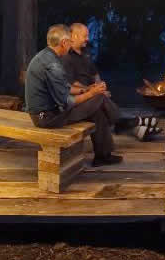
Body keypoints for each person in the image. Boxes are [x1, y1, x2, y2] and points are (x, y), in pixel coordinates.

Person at [25, 24, 127, 166]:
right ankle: (121, 122)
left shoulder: (46, 56)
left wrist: (85, 90)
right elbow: (66, 102)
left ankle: (103, 156)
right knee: (99, 97)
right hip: (47, 117)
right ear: (64, 43)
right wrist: (92, 93)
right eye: (69, 42)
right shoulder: (53, 65)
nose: (71, 45)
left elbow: (64, 87)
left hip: (49, 112)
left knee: (97, 107)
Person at [62, 23, 161, 140]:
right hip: (81, 97)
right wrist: (94, 91)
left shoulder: (85, 54)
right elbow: (71, 83)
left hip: (92, 93)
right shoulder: (66, 57)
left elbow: (95, 74)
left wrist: (100, 87)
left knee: (103, 99)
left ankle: (134, 128)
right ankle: (132, 122)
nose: (87, 39)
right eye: (85, 36)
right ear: (74, 36)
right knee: (102, 101)